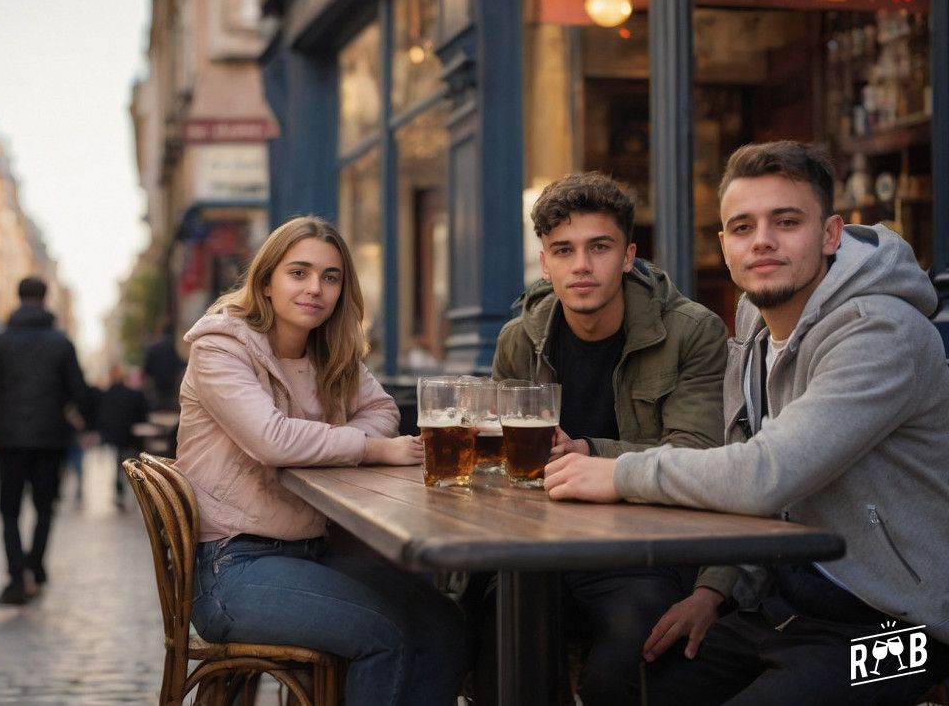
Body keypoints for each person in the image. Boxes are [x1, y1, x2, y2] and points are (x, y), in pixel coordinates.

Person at [545, 141, 949, 704]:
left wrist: (615, 472)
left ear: (830, 234)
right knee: (626, 681)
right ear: (725, 245)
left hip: (902, 631)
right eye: (742, 227)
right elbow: (754, 485)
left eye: (786, 221)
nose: (761, 240)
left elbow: (767, 474)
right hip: (780, 611)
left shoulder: (882, 334)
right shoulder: (755, 328)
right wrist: (715, 593)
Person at [178, 215, 468, 705]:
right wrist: (369, 448)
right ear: (266, 281)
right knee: (384, 635)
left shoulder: (329, 351)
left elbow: (381, 410)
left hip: (310, 553)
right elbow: (271, 439)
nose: (316, 288)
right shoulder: (220, 347)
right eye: (299, 273)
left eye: (330, 277)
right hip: (233, 567)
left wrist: (332, 440)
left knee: (444, 624)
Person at [478, 172, 728, 705]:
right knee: (498, 654)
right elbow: (499, 456)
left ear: (629, 255)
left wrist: (591, 453)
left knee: (623, 668)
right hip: (538, 549)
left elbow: (702, 456)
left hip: (641, 553)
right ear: (544, 262)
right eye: (563, 250)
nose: (582, 266)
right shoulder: (519, 338)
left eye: (600, 247)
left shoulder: (691, 332)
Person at [0, 276, 91, 605]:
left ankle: (16, 575)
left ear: (18, 297)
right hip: (50, 439)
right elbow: (79, 389)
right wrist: (86, 423)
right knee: (44, 507)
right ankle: (35, 566)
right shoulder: (61, 343)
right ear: (46, 299)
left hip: (8, 440)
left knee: (9, 511)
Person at [94, 364, 149, 510]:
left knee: (118, 464)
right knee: (133, 463)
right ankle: (133, 490)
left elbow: (102, 416)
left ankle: (120, 490)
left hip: (116, 437)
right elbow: (142, 415)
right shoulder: (133, 394)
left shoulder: (106, 395)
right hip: (131, 436)